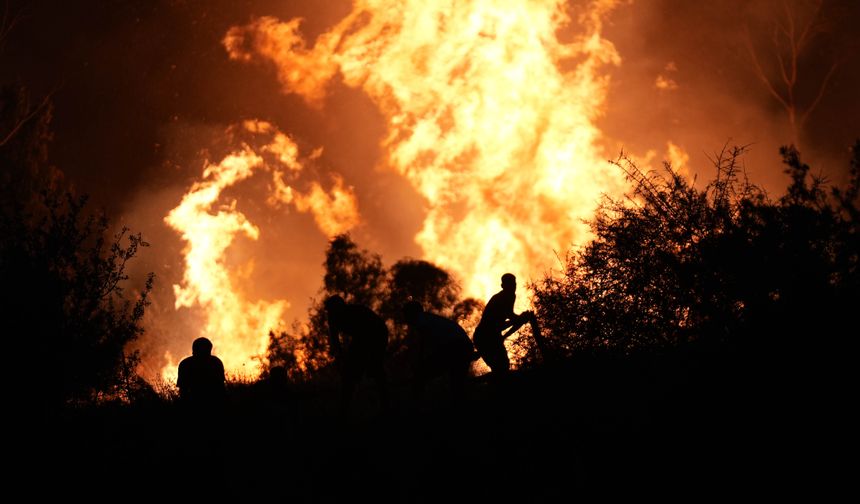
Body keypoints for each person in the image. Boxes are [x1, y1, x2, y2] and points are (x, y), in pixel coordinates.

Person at [324, 294, 389, 415]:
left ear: (341, 308)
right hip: (361, 337)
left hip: (377, 333)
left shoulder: (356, 312)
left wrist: (365, 358)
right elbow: (335, 340)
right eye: (330, 311)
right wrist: (339, 357)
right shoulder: (332, 318)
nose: (331, 314)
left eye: (333, 310)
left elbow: (367, 337)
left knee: (374, 368)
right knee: (349, 374)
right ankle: (345, 407)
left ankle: (385, 403)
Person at [402, 301, 477, 404]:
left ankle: (415, 407)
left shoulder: (421, 320)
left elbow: (426, 345)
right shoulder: (429, 318)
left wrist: (419, 364)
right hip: (463, 346)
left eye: (406, 315)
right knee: (457, 384)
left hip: (456, 347)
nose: (405, 319)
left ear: (411, 314)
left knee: (421, 375)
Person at [472, 273, 536, 374]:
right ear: (503, 286)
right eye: (510, 284)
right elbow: (505, 320)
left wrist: (520, 319)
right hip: (484, 337)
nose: (513, 287)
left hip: (494, 336)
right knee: (500, 368)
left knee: (503, 366)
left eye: (514, 284)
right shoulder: (499, 298)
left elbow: (510, 317)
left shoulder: (511, 296)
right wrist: (520, 318)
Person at [177, 337, 226, 411]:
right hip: (213, 404)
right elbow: (221, 388)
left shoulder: (185, 364)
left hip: (194, 404)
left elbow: (183, 390)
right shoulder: (216, 362)